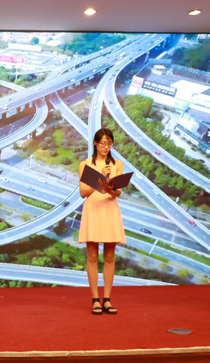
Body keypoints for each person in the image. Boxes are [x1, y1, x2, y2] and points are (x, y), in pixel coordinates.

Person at [78, 128, 125, 315]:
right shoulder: (86, 164)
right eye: (103, 143)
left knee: (110, 256)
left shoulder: (117, 164)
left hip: (110, 208)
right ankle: (95, 299)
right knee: (92, 256)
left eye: (109, 144)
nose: (106, 147)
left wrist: (109, 185)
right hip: (93, 209)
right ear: (95, 143)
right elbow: (83, 192)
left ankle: (107, 299)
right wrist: (99, 181)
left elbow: (118, 192)